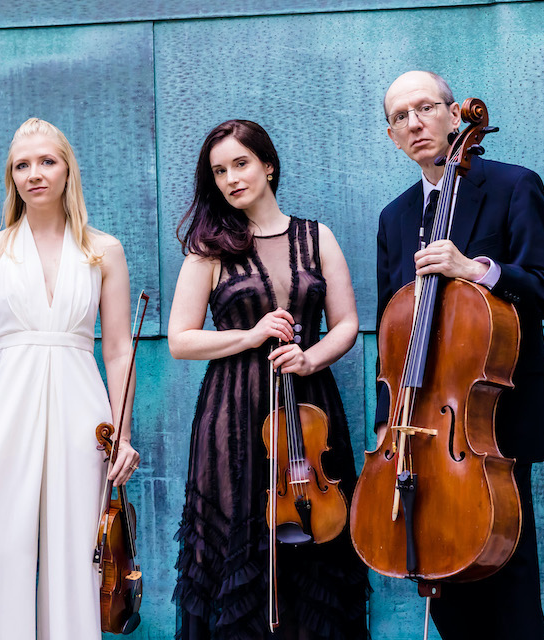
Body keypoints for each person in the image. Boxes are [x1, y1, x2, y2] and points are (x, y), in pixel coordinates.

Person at [376, 70, 544, 639]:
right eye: (399, 117)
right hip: (425, 436)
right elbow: (393, 336)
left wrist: (475, 270)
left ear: (455, 114)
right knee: (446, 591)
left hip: (496, 427)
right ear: (392, 137)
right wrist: (394, 436)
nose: (415, 123)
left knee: (511, 593)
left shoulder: (513, 186)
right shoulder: (395, 217)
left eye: (425, 108)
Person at [169, 119, 368, 639]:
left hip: (311, 409)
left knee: (318, 543)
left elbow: (346, 322)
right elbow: (180, 340)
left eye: (240, 163)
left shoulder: (316, 235)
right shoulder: (208, 250)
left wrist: (312, 358)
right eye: (219, 171)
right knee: (240, 544)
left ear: (268, 165)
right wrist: (251, 336)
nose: (231, 178)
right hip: (234, 414)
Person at [0, 118, 140, 639]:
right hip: (6, 408)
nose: (35, 173)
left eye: (47, 161)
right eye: (22, 164)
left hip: (82, 414)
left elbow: (119, 351)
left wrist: (123, 431)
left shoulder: (105, 251)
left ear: (67, 170)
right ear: (12, 176)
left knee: (77, 557)